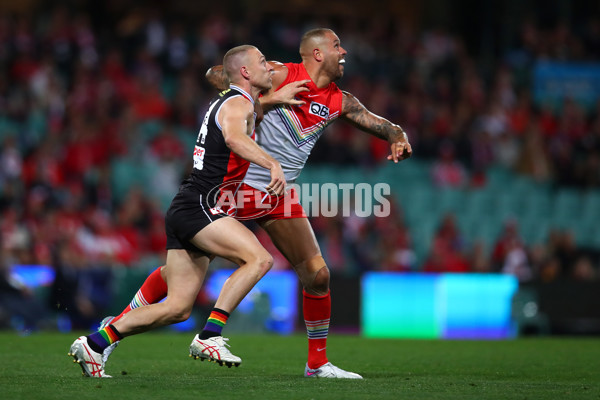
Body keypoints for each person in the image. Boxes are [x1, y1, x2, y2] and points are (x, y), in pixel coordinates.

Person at [102, 28, 412, 379]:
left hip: (278, 193)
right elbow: (218, 75)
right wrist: (268, 98)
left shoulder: (341, 100)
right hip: (236, 187)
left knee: (318, 275)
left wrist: (398, 135)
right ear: (318, 53)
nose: (345, 52)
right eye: (337, 46)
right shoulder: (279, 73)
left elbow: (380, 123)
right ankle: (117, 329)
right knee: (183, 273)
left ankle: (317, 364)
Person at [67, 44, 286, 378]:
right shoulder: (238, 104)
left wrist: (272, 101)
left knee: (177, 308)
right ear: (244, 72)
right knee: (259, 259)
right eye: (261, 62)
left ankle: (96, 343)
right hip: (201, 204)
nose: (269, 67)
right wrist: (271, 163)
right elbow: (233, 138)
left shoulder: (235, 101)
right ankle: (211, 335)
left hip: (188, 204)